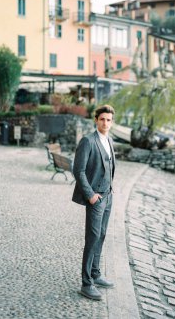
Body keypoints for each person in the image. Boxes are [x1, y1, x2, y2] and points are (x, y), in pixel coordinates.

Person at [72, 104, 115, 300]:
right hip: (96, 197)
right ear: (96, 120)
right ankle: (86, 283)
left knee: (102, 234)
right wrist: (90, 194)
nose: (105, 123)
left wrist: (110, 191)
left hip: (108, 196)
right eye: (102, 119)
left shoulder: (109, 140)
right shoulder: (88, 141)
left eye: (108, 120)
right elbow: (78, 170)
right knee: (92, 237)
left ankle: (96, 273)